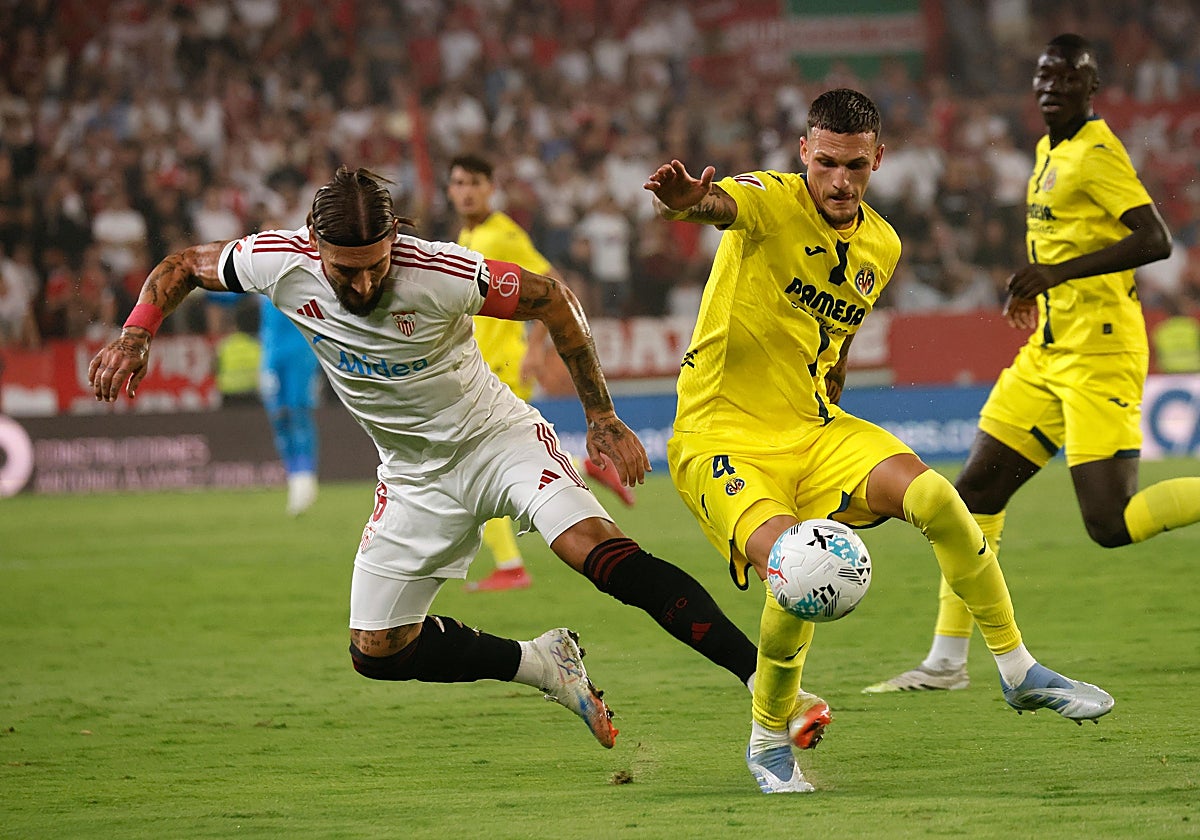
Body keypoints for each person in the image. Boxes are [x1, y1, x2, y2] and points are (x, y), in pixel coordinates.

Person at [88, 165, 785, 760]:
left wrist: (600, 416)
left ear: (395, 242)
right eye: (343, 272)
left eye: (374, 267)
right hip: (413, 476)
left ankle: (765, 682)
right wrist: (134, 335)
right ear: (315, 249)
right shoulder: (277, 261)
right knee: (377, 650)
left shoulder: (442, 271)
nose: (360, 287)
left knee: (593, 551)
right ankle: (542, 664)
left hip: (496, 441)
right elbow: (181, 265)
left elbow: (553, 299)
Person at [644, 88, 1114, 795]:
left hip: (811, 425)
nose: (839, 181)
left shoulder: (881, 245)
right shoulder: (770, 200)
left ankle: (1018, 672)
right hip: (721, 436)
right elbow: (718, 206)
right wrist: (685, 202)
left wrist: (832, 385)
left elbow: (839, 337)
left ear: (878, 160)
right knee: (795, 569)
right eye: (826, 163)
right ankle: (769, 741)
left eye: (855, 167)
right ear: (804, 152)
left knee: (936, 496)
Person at [864, 35, 1200, 695]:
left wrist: (1053, 273)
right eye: (1044, 76)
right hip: (1049, 348)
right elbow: (1060, 241)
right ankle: (946, 661)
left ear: (1091, 86)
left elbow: (1154, 238)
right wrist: (1034, 290)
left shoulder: (1097, 153)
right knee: (974, 496)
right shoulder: (1050, 150)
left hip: (1101, 351)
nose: (1051, 87)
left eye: (1067, 77)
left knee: (1110, 523)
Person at [446, 153, 634, 593]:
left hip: (501, 365)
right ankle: (585, 468)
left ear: (491, 187)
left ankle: (511, 564)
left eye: (474, 182)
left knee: (477, 464)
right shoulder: (468, 234)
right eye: (458, 183)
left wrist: (535, 345)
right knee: (492, 462)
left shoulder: (505, 234)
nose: (466, 190)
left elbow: (554, 287)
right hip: (479, 365)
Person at [259, 297, 322, 516]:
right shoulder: (258, 270)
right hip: (271, 352)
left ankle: (305, 479)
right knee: (278, 417)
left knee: (298, 413)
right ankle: (294, 476)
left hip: (300, 350)